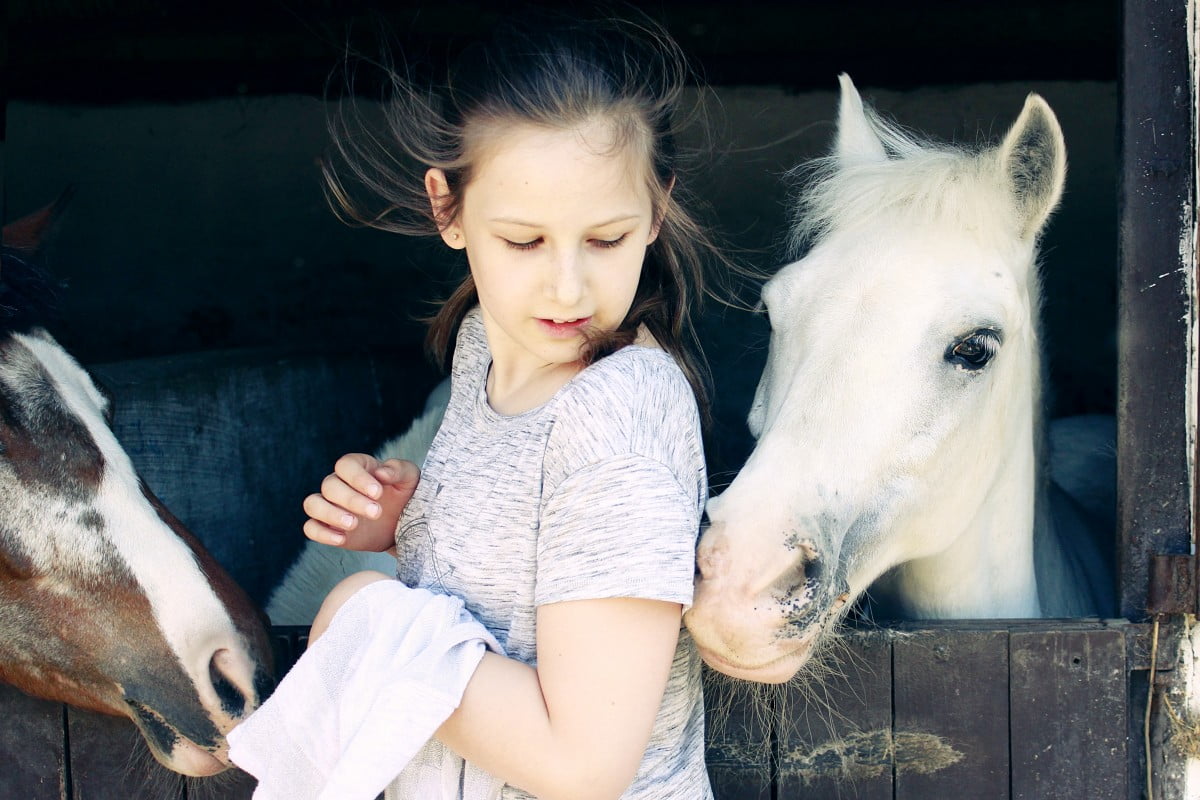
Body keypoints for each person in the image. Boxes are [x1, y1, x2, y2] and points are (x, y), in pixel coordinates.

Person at [301, 11, 726, 799]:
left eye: (605, 239)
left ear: (657, 212)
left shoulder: (619, 413)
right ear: (447, 208)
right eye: (524, 242)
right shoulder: (480, 354)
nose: (567, 288)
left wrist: (371, 617)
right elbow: (516, 610)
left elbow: (585, 765)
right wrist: (414, 532)